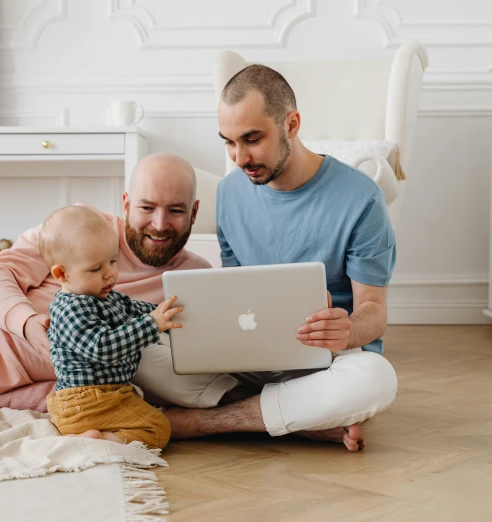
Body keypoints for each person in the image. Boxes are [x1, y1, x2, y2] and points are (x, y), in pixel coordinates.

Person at [0, 153, 224, 426]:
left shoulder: (196, 278)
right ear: (127, 204)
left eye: (175, 211)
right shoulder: (83, 224)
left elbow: (102, 374)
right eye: (147, 207)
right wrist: (27, 322)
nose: (159, 225)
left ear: (193, 213)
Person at [160, 64, 399, 452]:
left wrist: (347, 330)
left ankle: (205, 423)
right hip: (249, 360)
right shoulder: (231, 193)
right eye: (229, 142)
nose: (239, 157)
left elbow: (373, 309)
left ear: (292, 124)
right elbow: (235, 294)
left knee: (377, 379)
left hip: (328, 361)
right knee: (145, 355)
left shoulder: (362, 199)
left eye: (252, 139)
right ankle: (298, 420)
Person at [41, 206, 182, 449]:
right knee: (158, 430)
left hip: (106, 395)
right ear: (62, 274)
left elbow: (138, 309)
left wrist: (165, 313)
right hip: (83, 402)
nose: (110, 274)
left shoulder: (106, 297)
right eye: (96, 269)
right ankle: (96, 440)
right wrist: (151, 325)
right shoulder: (69, 310)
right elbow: (102, 347)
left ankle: (100, 434)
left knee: (151, 417)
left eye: (113, 261)